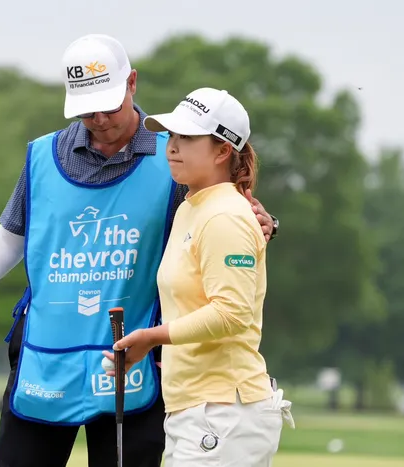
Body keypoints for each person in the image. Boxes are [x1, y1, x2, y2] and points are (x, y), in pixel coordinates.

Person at [0, 34, 280, 467]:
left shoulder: (175, 160)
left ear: (132, 83)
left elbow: (217, 218)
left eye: (108, 105)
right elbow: (9, 240)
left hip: (133, 357)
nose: (99, 118)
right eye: (87, 109)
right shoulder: (42, 157)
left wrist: (263, 221)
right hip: (48, 354)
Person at [104, 87, 293, 466]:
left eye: (188, 138)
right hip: (198, 410)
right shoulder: (191, 207)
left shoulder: (225, 215)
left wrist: (151, 338)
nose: (172, 147)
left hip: (224, 411)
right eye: (172, 135)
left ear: (222, 151)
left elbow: (231, 313)